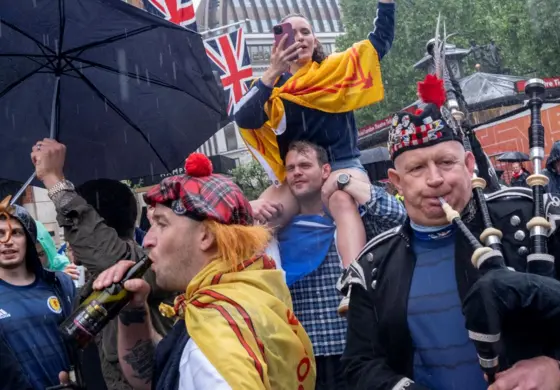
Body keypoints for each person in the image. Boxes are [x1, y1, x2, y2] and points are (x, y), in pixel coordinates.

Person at [341, 100, 560, 390]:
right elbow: (361, 363)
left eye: (446, 162)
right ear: (396, 181)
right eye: (416, 168)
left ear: (469, 164)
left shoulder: (531, 217)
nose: (434, 179)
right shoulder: (374, 265)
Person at [62, 153, 316, 390]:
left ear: (205, 236)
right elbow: (165, 372)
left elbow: (200, 361)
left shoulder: (216, 338)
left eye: (161, 224)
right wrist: (134, 311)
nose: (148, 240)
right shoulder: (245, 294)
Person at [235, 0, 396, 310]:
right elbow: (244, 118)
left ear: (315, 40)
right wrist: (272, 72)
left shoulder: (336, 70)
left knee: (339, 197)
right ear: (278, 43)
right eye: (290, 34)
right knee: (261, 212)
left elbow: (379, 43)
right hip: (298, 173)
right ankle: (262, 292)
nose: (299, 38)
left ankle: (354, 282)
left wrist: (386, 4)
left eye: (305, 31)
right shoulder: (272, 87)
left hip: (340, 163)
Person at [31, 139, 176, 390]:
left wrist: (55, 181)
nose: (70, 238)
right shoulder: (91, 286)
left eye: (70, 229)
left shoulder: (139, 271)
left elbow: (110, 258)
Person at [264, 141, 404, 388]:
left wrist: (347, 183)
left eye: (305, 165)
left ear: (326, 170)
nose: (297, 172)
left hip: (356, 351)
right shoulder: (276, 230)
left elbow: (399, 218)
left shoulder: (354, 220)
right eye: (291, 168)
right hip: (302, 359)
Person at [0, 197, 77, 390]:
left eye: (16, 232)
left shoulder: (59, 284)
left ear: (29, 239)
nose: (7, 241)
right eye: (0, 234)